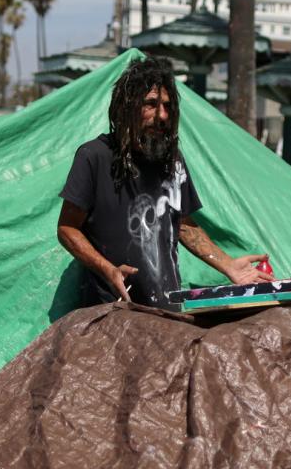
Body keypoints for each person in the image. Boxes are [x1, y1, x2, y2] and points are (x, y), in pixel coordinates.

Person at [57, 56, 275, 309]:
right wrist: (108, 270)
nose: (161, 115)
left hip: (166, 311)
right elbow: (67, 228)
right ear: (126, 106)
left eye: (167, 107)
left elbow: (183, 225)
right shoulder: (94, 156)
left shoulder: (171, 160)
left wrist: (227, 264)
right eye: (151, 104)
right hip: (113, 310)